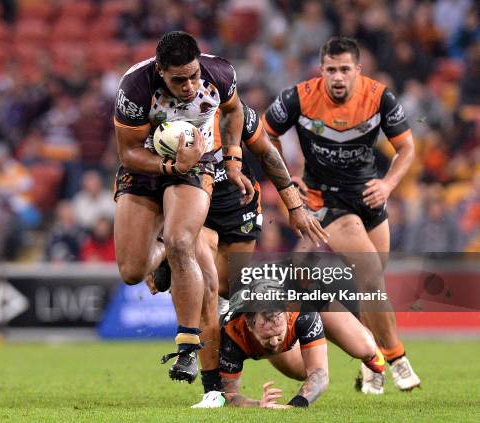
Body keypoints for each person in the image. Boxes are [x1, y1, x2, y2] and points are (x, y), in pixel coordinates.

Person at [262, 36, 419, 393]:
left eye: (345, 69)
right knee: (369, 276)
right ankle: (397, 360)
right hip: (325, 202)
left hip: (370, 198)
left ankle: (371, 362)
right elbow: (263, 136)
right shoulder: (297, 98)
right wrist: (286, 181)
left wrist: (389, 185)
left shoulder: (379, 97)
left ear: (357, 71)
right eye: (331, 69)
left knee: (371, 286)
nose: (337, 77)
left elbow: (407, 147)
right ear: (321, 70)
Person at [146, 103, 329, 408]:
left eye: (199, 81)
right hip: (196, 212)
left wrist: (295, 207)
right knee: (205, 284)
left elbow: (268, 154)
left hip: (238, 210)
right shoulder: (162, 123)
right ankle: (205, 376)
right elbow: (145, 175)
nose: (193, 89)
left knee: (232, 294)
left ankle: (371, 353)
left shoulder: (234, 113)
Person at [113, 31, 253, 383]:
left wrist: (233, 160)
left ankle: (188, 347)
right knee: (131, 272)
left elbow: (235, 112)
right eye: (178, 80)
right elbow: (128, 152)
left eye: (193, 76)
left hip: (197, 163)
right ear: (160, 71)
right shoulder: (134, 88)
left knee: (181, 240)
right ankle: (157, 252)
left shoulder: (219, 73)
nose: (189, 86)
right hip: (146, 166)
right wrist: (168, 167)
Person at [218, 280, 385, 409]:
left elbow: (320, 374)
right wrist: (258, 404)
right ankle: (310, 337)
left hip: (314, 300)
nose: (274, 342)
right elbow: (228, 395)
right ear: (248, 324)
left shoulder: (302, 309)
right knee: (302, 372)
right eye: (267, 337)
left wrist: (295, 405)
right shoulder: (231, 333)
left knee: (364, 348)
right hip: (286, 318)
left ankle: (369, 355)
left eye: (278, 334)